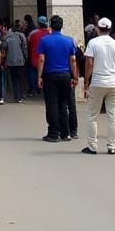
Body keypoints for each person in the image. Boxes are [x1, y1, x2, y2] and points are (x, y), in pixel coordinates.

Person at [82, 18, 115, 155]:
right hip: (113, 82)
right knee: (113, 116)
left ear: (98, 29)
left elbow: (89, 62)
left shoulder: (93, 43)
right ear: (110, 29)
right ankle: (112, 146)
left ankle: (92, 146)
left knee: (92, 115)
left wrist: (86, 80)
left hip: (98, 82)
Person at [37, 15, 78, 143]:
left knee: (52, 104)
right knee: (63, 104)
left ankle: (54, 133)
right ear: (62, 26)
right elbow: (73, 60)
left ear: (50, 26)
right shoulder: (69, 41)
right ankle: (66, 133)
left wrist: (39, 76)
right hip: (65, 75)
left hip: (50, 75)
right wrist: (75, 76)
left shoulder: (44, 41)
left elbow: (42, 59)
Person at [2, 22, 28, 102]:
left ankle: (17, 96)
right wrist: (26, 57)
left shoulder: (6, 37)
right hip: (20, 61)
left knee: (14, 79)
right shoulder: (21, 36)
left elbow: (4, 50)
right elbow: (24, 48)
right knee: (21, 79)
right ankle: (21, 95)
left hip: (10, 61)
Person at [27, 16, 50, 95]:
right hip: (45, 58)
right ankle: (43, 89)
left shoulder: (33, 33)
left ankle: (33, 89)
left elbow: (28, 43)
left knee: (32, 73)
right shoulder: (49, 34)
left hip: (34, 57)